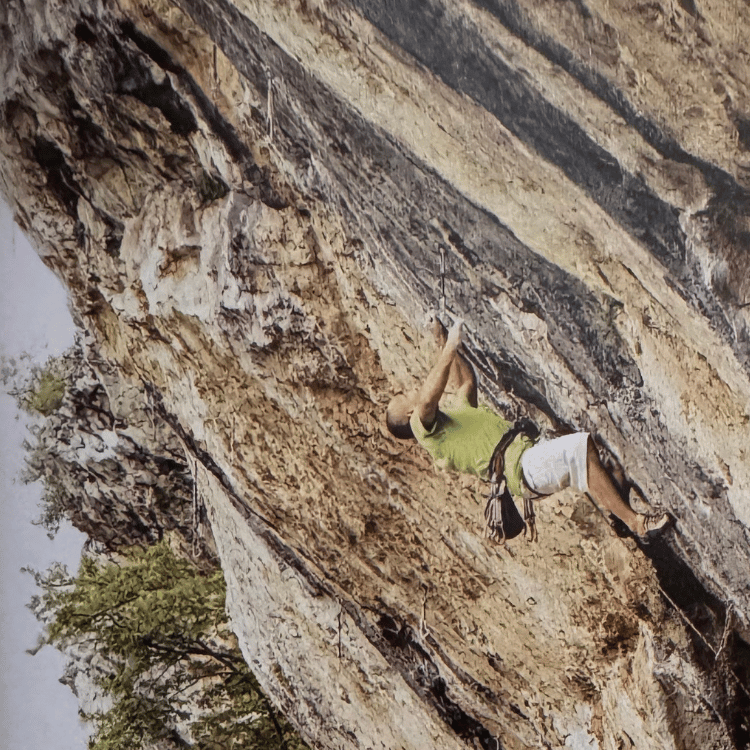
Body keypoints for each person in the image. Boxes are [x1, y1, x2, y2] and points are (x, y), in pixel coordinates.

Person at [386, 318, 670, 538]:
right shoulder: (424, 431)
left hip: (527, 457)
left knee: (602, 462)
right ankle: (637, 523)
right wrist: (449, 349)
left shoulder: (453, 416)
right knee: (580, 449)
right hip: (522, 468)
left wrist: (441, 338)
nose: (408, 391)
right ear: (409, 414)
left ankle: (619, 515)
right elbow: (427, 400)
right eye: (403, 397)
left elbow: (466, 383)